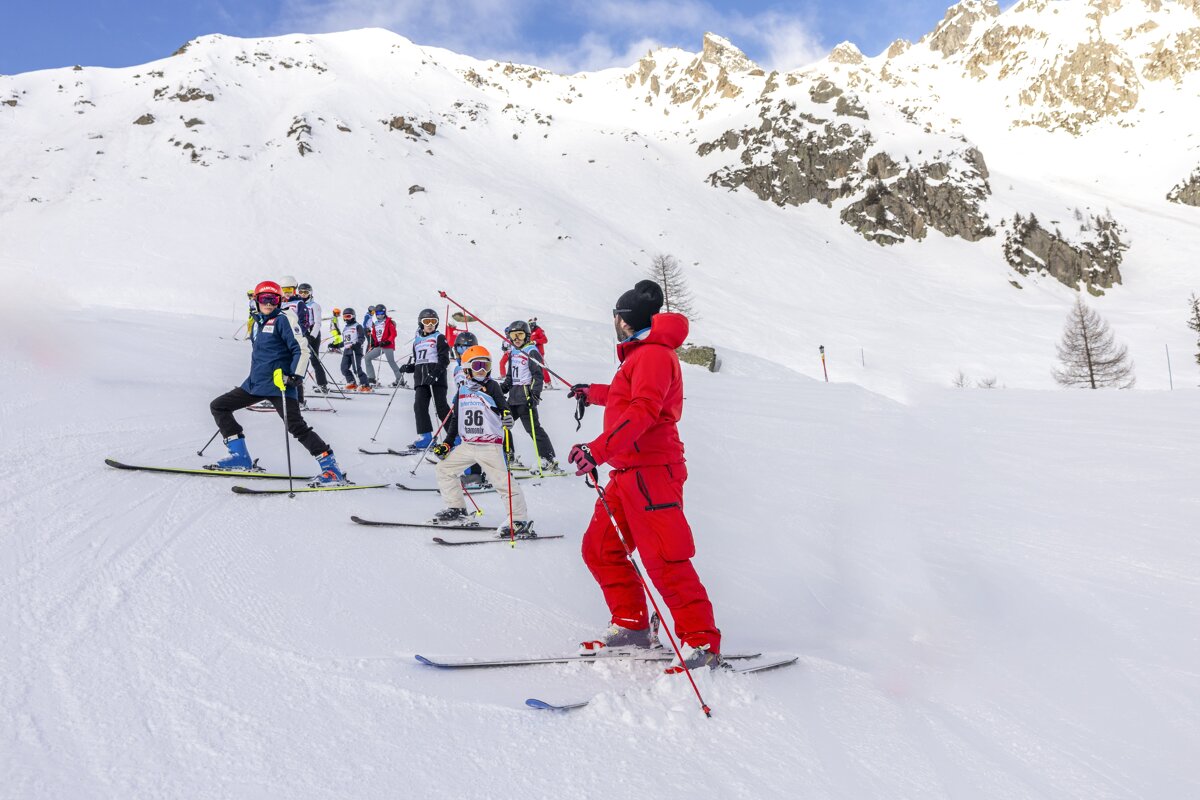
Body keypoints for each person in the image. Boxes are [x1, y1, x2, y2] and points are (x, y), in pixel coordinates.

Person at [566, 279, 721, 671]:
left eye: (617, 317)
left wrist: (596, 450)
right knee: (601, 549)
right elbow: (628, 396)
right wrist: (594, 391)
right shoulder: (640, 356)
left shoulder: (652, 355)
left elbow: (643, 411)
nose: (615, 322)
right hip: (627, 472)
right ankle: (632, 624)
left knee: (666, 558)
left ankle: (700, 642)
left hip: (652, 473)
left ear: (626, 320)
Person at [208, 280, 346, 485]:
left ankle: (331, 469)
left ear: (280, 301)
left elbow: (302, 349)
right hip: (255, 383)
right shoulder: (257, 322)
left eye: (273, 299)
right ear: (257, 300)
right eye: (264, 299)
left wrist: (295, 377)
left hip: (281, 384)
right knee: (219, 406)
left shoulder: (284, 319)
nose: (269, 303)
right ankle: (241, 458)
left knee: (296, 426)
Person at [429, 345, 532, 537]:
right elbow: (455, 420)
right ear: (467, 368)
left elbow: (503, 407)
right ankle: (457, 509)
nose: (482, 370)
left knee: (503, 483)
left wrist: (507, 417)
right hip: (468, 445)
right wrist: (447, 444)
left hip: (489, 445)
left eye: (486, 365)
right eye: (477, 366)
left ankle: (519, 520)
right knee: (444, 469)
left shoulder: (492, 386)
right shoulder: (461, 390)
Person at [500, 320, 558, 472]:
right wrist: (501, 390)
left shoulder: (531, 351)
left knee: (533, 429)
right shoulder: (513, 352)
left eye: (520, 335)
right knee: (503, 426)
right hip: (513, 398)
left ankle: (548, 459)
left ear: (526, 336)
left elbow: (537, 376)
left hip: (526, 398)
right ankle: (508, 456)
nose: (516, 338)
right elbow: (510, 377)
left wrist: (534, 396)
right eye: (513, 335)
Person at [399, 308, 450, 449]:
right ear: (421, 323)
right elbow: (418, 361)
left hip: (436, 378)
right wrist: (409, 368)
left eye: (433, 321)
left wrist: (435, 374)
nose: (430, 324)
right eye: (426, 321)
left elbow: (444, 359)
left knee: (441, 408)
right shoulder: (417, 341)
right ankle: (426, 437)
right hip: (421, 379)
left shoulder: (439, 337)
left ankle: (455, 437)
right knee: (419, 406)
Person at [364, 303, 405, 389]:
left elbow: (393, 334)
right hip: (380, 345)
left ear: (385, 313)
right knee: (367, 357)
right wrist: (374, 342)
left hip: (388, 345)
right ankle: (371, 378)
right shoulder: (376, 323)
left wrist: (387, 341)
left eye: (381, 313)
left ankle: (400, 380)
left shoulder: (388, 322)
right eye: (378, 313)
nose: (380, 315)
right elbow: (375, 334)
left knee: (391, 361)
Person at [297, 283, 329, 393]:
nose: (303, 294)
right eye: (301, 292)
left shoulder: (314, 305)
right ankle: (298, 385)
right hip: (301, 334)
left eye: (306, 292)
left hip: (312, 334)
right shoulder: (297, 304)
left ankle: (323, 384)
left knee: (314, 360)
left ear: (310, 293)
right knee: (299, 359)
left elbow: (318, 323)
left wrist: (312, 336)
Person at [338, 307, 369, 390]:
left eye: (348, 316)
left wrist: (358, 344)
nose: (346, 319)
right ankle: (352, 382)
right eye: (345, 317)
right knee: (343, 368)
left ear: (353, 316)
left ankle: (365, 385)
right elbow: (345, 341)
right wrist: (336, 345)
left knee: (356, 369)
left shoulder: (357, 326)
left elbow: (362, 338)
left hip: (356, 350)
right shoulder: (345, 328)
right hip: (347, 350)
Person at [528, 317, 552, 386]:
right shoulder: (531, 332)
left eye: (532, 324)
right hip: (532, 351)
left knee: (541, 366)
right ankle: (531, 381)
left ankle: (548, 382)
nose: (531, 326)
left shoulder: (539, 330)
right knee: (531, 366)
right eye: (530, 324)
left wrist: (536, 341)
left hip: (539, 351)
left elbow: (545, 340)